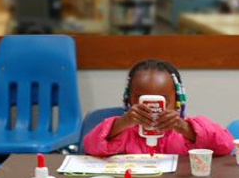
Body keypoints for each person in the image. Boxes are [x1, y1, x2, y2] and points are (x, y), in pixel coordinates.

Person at [83, 59, 234, 156]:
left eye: (162, 101)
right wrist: (121, 123)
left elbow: (226, 146)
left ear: (177, 101)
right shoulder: (123, 132)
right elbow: (89, 146)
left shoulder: (186, 132)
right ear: (128, 100)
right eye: (143, 100)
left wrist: (185, 129)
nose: (152, 110)